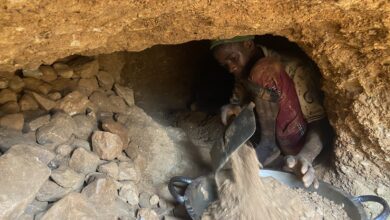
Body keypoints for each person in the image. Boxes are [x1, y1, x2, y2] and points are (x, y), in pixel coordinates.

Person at [211, 36, 330, 188]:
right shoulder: (241, 70)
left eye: (233, 58)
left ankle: (269, 146)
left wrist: (306, 156)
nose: (231, 67)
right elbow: (239, 102)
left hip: (297, 142)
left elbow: (320, 124)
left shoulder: (291, 66)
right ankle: (267, 148)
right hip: (267, 132)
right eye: (225, 64)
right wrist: (233, 108)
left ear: (248, 44)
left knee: (263, 72)